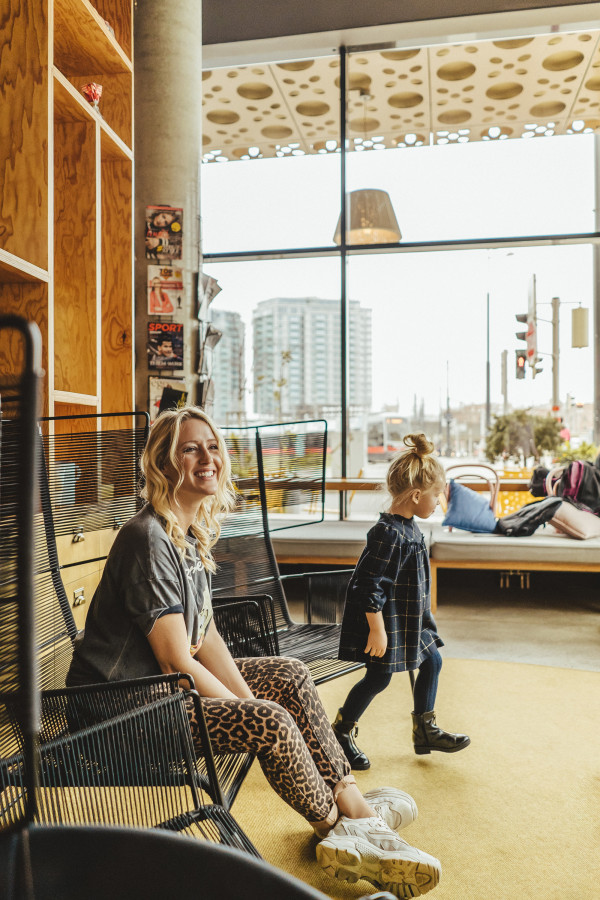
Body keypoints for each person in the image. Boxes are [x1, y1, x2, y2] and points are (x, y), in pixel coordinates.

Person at [66, 407, 441, 897]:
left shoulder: (186, 532)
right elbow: (176, 661)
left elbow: (209, 637)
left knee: (287, 675)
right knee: (269, 720)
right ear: (163, 462)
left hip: (159, 694)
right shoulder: (148, 540)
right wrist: (251, 711)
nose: (208, 458)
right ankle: (341, 832)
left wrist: (248, 698)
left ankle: (357, 813)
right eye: (190, 448)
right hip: (123, 712)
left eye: (213, 446)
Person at [333, 433, 470, 769]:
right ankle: (341, 730)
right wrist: (376, 631)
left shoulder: (409, 528)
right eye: (437, 495)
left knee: (433, 661)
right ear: (417, 494)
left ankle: (425, 729)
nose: (439, 502)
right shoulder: (389, 533)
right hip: (386, 623)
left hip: (409, 621)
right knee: (378, 678)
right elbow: (370, 586)